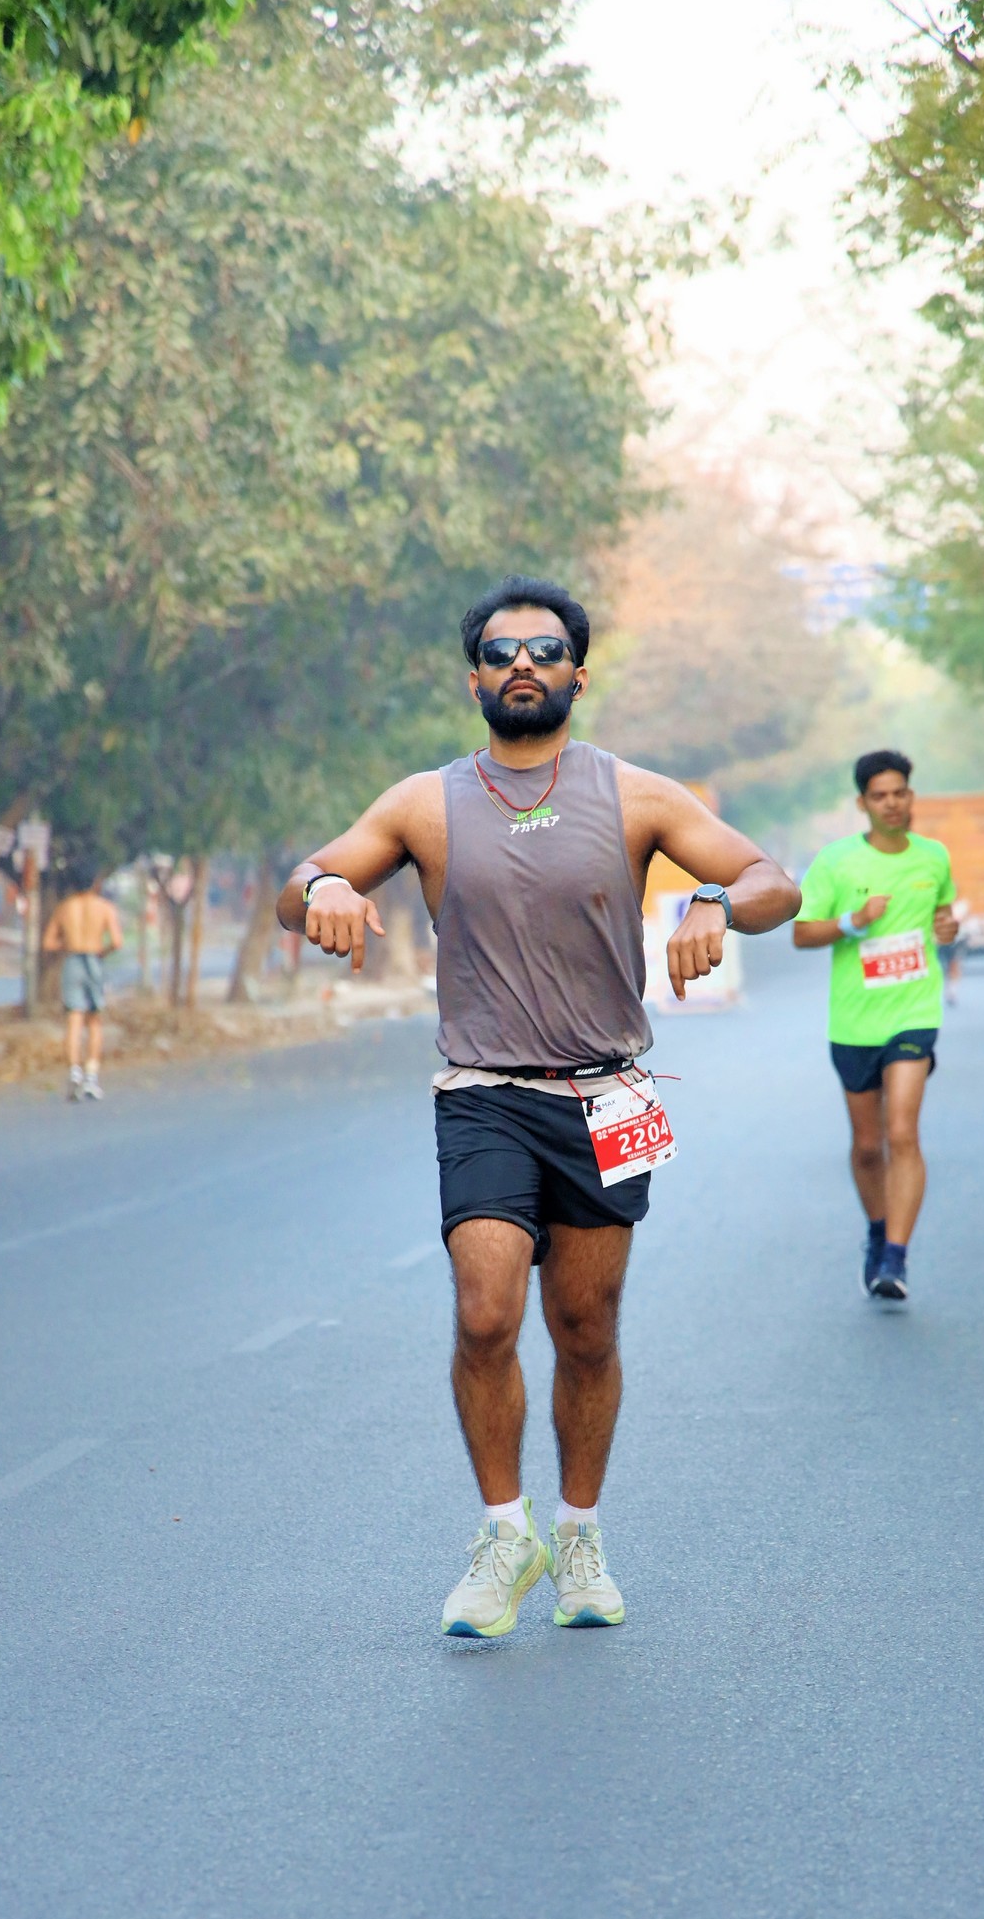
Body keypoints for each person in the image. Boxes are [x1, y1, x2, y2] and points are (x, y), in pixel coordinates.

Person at [276, 574, 799, 1637]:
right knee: (486, 1312)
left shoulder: (636, 795)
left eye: (546, 650)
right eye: (502, 652)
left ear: (578, 676)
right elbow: (305, 884)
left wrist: (713, 901)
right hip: (486, 1094)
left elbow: (773, 881)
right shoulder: (425, 804)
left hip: (607, 1094)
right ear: (474, 679)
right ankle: (504, 1534)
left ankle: (580, 1535)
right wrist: (323, 887)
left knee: (586, 1328)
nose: (524, 664)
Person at [792, 750, 958, 1304]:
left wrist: (949, 927)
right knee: (867, 1147)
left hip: (915, 1013)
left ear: (911, 796)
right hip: (854, 1022)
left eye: (900, 793)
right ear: (863, 803)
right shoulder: (836, 862)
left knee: (902, 1133)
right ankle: (877, 1230)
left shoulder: (934, 858)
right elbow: (802, 933)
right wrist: (853, 921)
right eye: (880, 796)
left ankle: (896, 1257)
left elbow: (944, 918)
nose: (892, 804)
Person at [42, 876, 123, 1099]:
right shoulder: (104, 907)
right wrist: (101, 952)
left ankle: (74, 1074)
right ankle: (91, 1078)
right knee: (94, 1020)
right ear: (95, 883)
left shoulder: (65, 908)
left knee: (74, 1019)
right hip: (94, 961)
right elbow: (117, 941)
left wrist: (68, 943)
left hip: (72, 961)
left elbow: (48, 942)